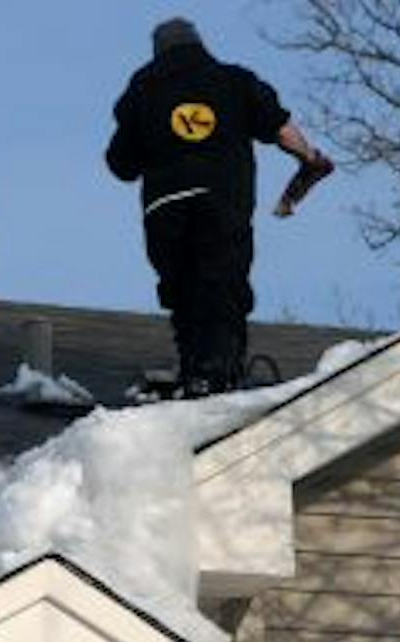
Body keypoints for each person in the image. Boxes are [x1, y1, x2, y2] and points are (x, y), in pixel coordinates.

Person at [104, 17, 332, 396]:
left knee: (181, 288)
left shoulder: (141, 89)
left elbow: (120, 164)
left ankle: (193, 372)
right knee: (222, 282)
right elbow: (280, 127)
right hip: (221, 198)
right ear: (200, 44)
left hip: (165, 205)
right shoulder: (234, 80)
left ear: (158, 50)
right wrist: (310, 157)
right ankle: (219, 375)